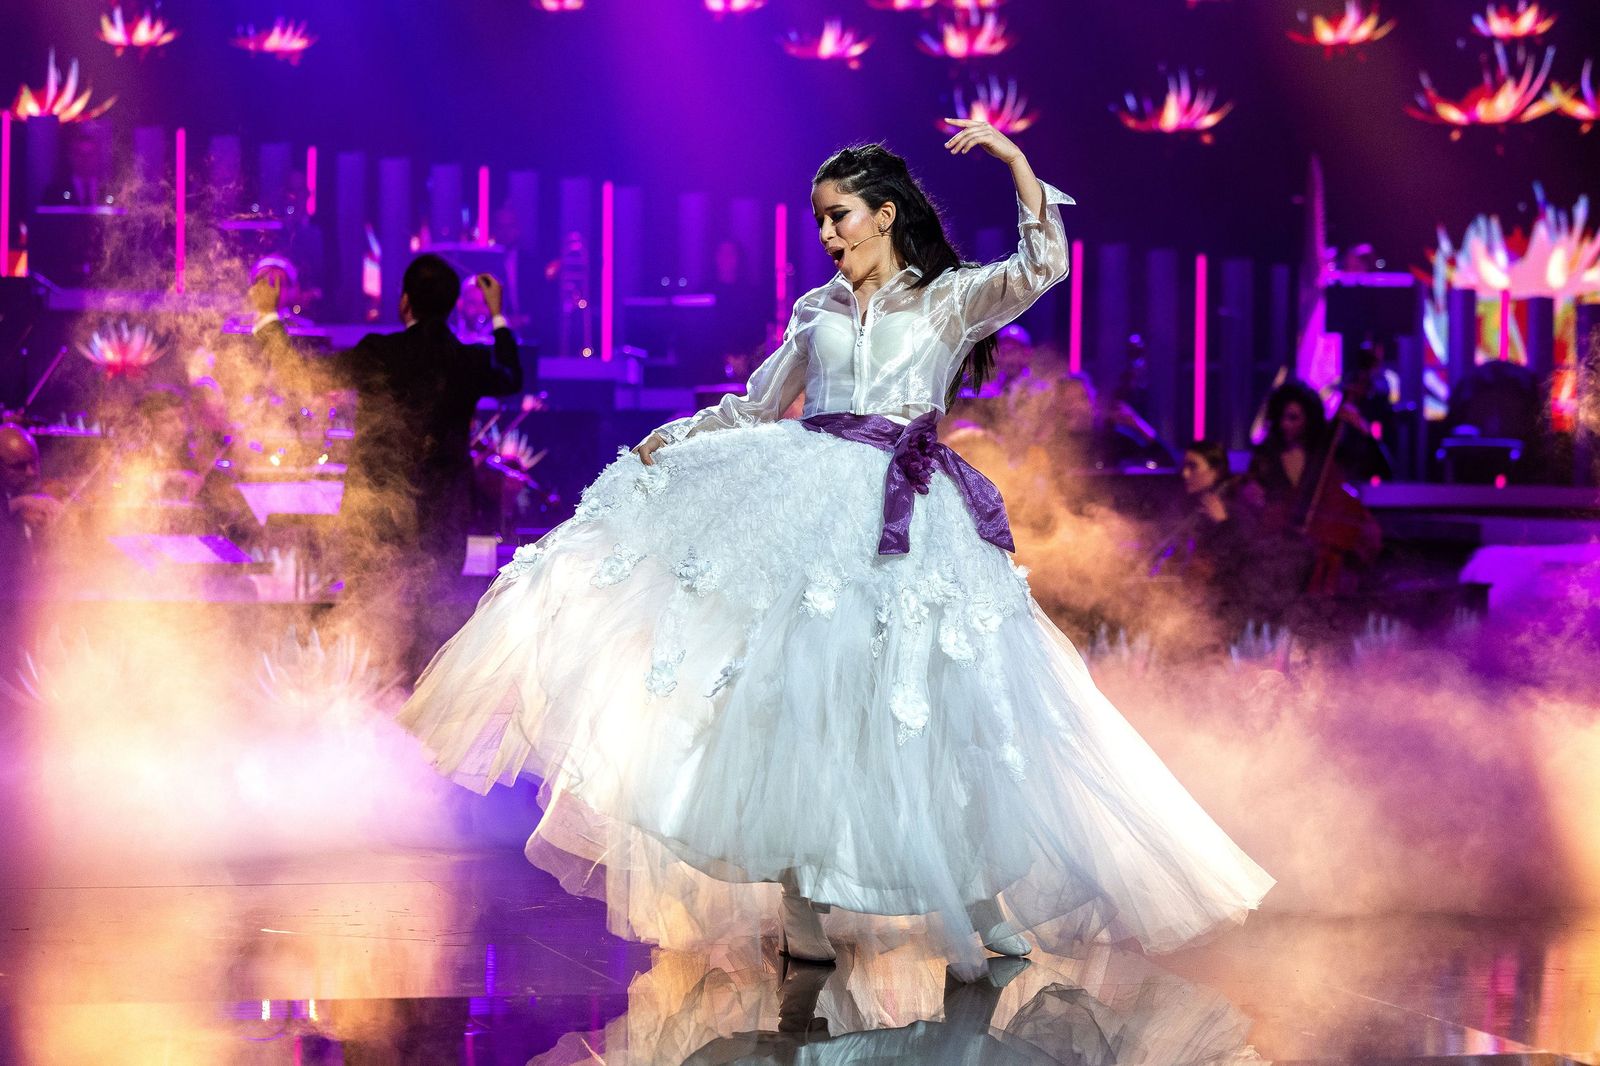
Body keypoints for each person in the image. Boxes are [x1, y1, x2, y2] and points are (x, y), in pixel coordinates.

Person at [395, 124, 1274, 982]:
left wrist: (1013, 160)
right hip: (809, 506)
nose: (826, 234)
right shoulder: (816, 309)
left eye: (840, 215)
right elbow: (757, 403)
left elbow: (1045, 267)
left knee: (936, 704)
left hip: (912, 514)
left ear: (886, 214)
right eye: (820, 218)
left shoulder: (947, 297)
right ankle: (802, 908)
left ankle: (973, 904)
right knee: (796, 701)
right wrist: (677, 438)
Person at [249, 254, 524, 671]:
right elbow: (512, 377)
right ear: (451, 306)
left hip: (378, 512)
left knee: (367, 620)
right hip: (443, 513)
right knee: (433, 622)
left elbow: (298, 375)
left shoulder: (380, 353)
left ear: (405, 302)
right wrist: (497, 314)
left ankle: (368, 711)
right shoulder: (466, 360)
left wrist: (268, 317)